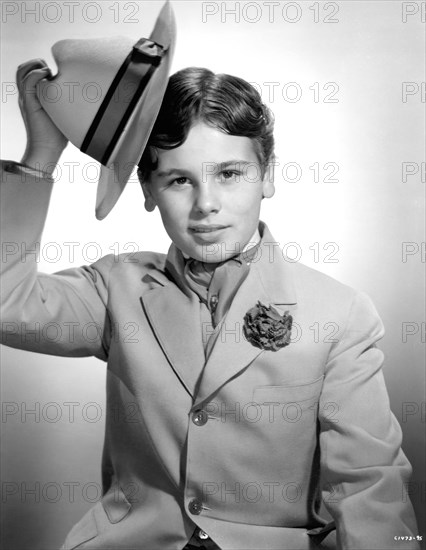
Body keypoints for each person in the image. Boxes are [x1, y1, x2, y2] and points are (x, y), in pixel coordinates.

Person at [1, 59, 420, 550]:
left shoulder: (339, 313)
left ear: (266, 177)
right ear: (148, 191)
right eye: (179, 180)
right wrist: (41, 156)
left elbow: (371, 485)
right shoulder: (115, 287)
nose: (206, 204)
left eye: (229, 174)